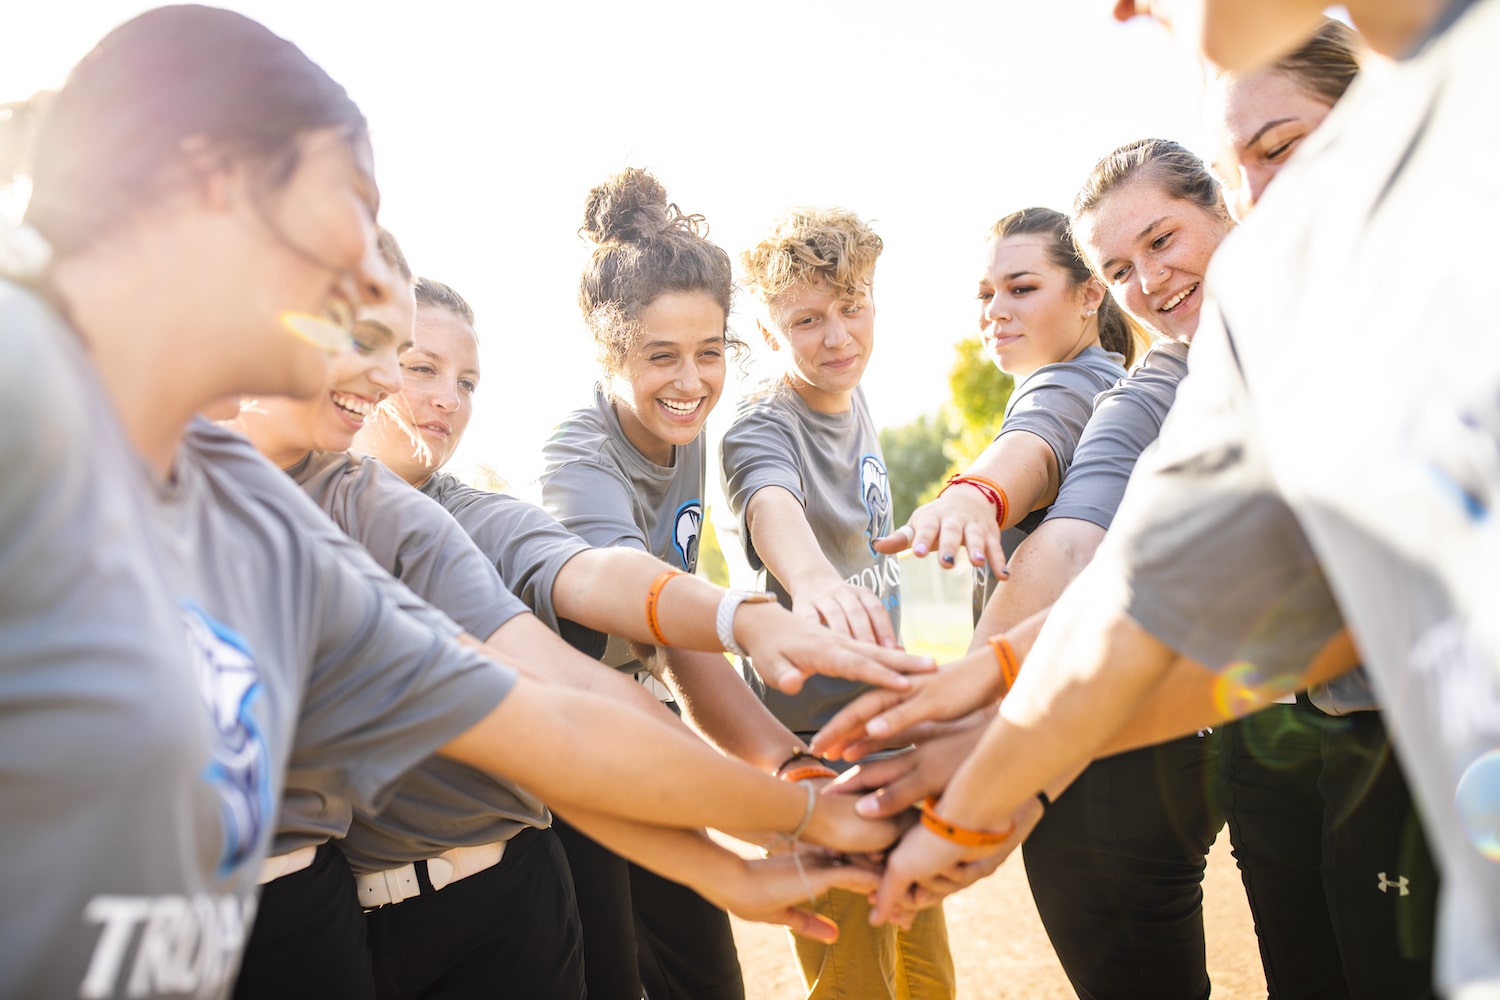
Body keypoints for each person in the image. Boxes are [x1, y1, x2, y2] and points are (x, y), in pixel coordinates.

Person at [1, 8, 899, 997]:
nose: (378, 275)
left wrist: (785, 830)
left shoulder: (274, 527)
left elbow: (550, 724)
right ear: (216, 187)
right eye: (354, 207)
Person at [876, 2, 1500, 997]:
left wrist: (988, 768)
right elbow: (1162, 587)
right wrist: (992, 724)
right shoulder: (1219, 345)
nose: (1149, 281)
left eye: (1281, 148)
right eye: (1122, 267)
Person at [540, 166, 854, 1000]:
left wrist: (789, 766)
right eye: (661, 357)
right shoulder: (576, 454)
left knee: (708, 978)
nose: (691, 382)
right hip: (571, 747)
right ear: (611, 352)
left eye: (710, 353)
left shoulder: (686, 439)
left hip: (644, 717)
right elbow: (635, 591)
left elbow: (685, 646)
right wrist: (742, 616)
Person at [717, 207, 959, 999]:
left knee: (926, 981)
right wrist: (813, 581)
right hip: (816, 754)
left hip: (889, 739)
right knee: (855, 985)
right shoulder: (760, 423)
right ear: (765, 325)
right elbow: (768, 501)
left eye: (852, 307)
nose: (836, 337)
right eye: (807, 320)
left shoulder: (853, 400)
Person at [874, 209, 1141, 622]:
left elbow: (1034, 440)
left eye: (1021, 288)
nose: (994, 310)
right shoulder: (1109, 375)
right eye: (985, 294)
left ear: (1090, 294)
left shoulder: (1071, 384)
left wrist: (972, 495)